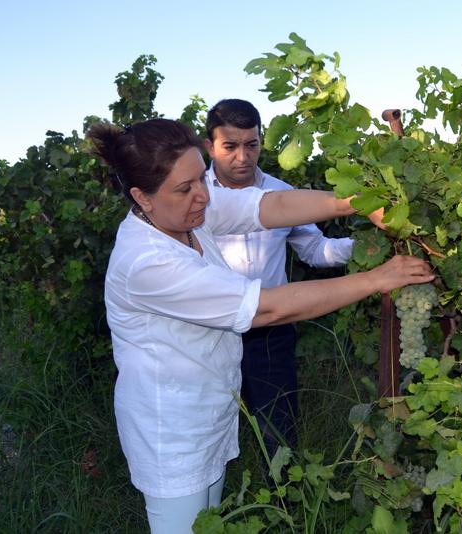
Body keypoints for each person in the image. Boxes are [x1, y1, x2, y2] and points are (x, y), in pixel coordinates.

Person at [87, 118, 433, 533]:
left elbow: (269, 207)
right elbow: (266, 309)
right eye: (185, 189)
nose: (202, 195)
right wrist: (377, 279)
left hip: (209, 412)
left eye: (200, 178)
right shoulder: (147, 262)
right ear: (142, 197)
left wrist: (358, 202)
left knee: (209, 525)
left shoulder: (187, 216)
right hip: (172, 434)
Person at [204, 98, 352, 454]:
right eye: (230, 147)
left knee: (279, 428)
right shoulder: (194, 196)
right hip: (209, 329)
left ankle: (284, 496)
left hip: (271, 330)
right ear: (209, 146)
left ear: (261, 143)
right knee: (207, 426)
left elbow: (315, 250)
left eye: (251, 145)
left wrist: (362, 247)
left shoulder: (283, 194)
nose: (243, 157)